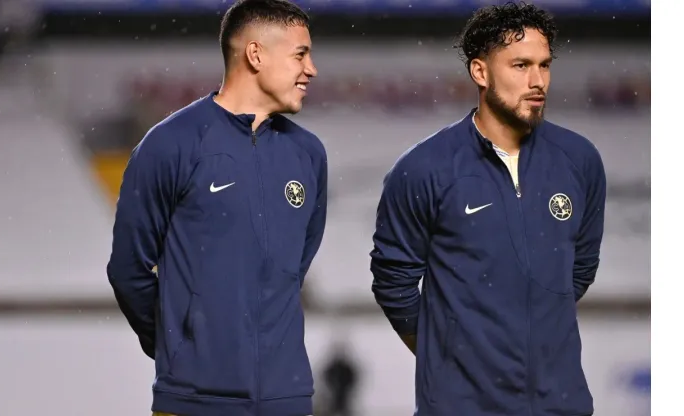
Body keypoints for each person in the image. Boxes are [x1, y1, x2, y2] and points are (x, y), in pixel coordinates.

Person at [369, 3, 606, 416]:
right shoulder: (423, 169)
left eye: (544, 65)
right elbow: (393, 284)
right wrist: (451, 358)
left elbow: (579, 271)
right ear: (480, 72)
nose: (538, 81)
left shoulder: (580, 160)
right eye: (520, 65)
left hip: (562, 404)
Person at [106, 1, 326, 415]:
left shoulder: (309, 155)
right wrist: (183, 348)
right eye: (300, 54)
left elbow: (294, 269)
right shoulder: (170, 144)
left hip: (287, 401)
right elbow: (128, 270)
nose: (311, 69)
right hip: (194, 400)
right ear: (255, 54)